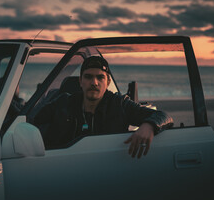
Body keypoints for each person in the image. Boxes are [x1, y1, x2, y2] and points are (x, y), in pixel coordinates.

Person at [34, 56, 173, 158]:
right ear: (80, 81)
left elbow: (164, 116)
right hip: (66, 168)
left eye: (100, 77)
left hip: (107, 168)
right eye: (88, 77)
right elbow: (31, 120)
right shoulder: (64, 103)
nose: (94, 82)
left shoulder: (119, 104)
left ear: (108, 82)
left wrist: (148, 126)